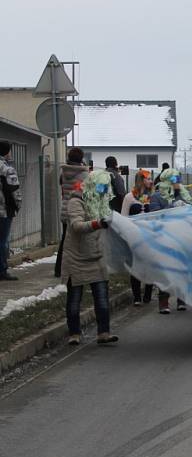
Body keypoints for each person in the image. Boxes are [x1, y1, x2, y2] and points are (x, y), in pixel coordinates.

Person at [61, 170, 118, 345]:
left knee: (101, 299)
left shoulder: (101, 203)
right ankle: (74, 334)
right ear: (92, 185)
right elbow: (77, 225)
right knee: (74, 301)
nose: (103, 190)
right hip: (76, 258)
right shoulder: (76, 201)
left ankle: (104, 332)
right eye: (100, 186)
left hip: (96, 256)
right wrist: (97, 223)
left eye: (105, 187)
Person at [149, 168, 192, 314]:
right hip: (164, 237)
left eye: (178, 179)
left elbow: (191, 211)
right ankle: (163, 302)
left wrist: (184, 202)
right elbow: (154, 215)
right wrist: (171, 206)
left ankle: (181, 299)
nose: (177, 183)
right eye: (174, 180)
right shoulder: (156, 196)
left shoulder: (183, 193)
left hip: (181, 237)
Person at [121, 169, 154, 306]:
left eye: (151, 179)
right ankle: (136, 297)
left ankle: (147, 294)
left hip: (149, 236)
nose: (150, 181)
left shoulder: (152, 196)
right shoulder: (129, 197)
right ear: (140, 180)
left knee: (150, 266)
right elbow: (123, 217)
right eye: (147, 179)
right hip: (134, 236)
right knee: (135, 266)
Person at [55, 147, 89, 278]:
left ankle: (59, 269)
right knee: (79, 241)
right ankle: (76, 268)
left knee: (64, 241)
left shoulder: (64, 173)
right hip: (78, 210)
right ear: (81, 159)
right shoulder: (83, 174)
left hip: (65, 210)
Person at [0, 141, 22, 281]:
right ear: (6, 152)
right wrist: (17, 206)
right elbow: (15, 191)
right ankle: (2, 270)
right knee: (2, 241)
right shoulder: (7, 169)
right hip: (4, 211)